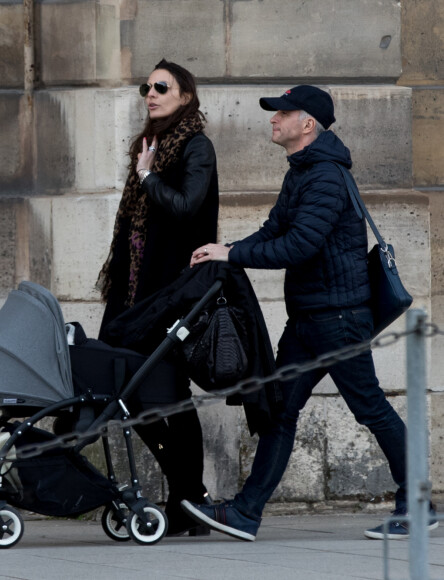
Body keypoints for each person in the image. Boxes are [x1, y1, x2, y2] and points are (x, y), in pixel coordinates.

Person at [181, 85, 438, 541]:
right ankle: (246, 512)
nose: (273, 119)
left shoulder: (323, 176)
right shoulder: (302, 172)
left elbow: (299, 245)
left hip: (337, 319)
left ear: (308, 124)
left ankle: (418, 505)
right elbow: (274, 229)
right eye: (274, 113)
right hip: (310, 319)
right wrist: (227, 249)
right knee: (281, 410)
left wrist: (233, 256)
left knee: (370, 409)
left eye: (284, 112)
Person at [97, 59, 219, 535]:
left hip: (170, 294)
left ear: (185, 95)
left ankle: (188, 500)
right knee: (125, 392)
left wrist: (148, 177)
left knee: (171, 394)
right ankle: (189, 496)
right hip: (132, 295)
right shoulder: (149, 144)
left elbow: (188, 208)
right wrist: (144, 168)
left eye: (161, 87)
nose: (150, 93)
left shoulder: (196, 146)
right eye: (146, 86)